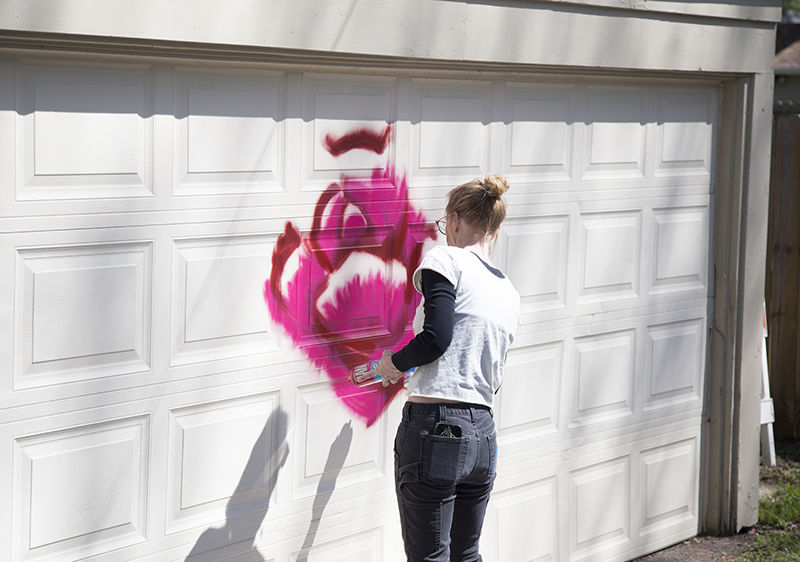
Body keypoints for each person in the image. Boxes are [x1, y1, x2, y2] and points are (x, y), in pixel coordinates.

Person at [372, 175, 521, 562]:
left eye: (444, 224)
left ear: (454, 221)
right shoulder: (507, 290)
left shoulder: (446, 258)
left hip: (436, 428)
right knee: (466, 555)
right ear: (496, 229)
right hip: (483, 435)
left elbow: (437, 338)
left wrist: (392, 365)